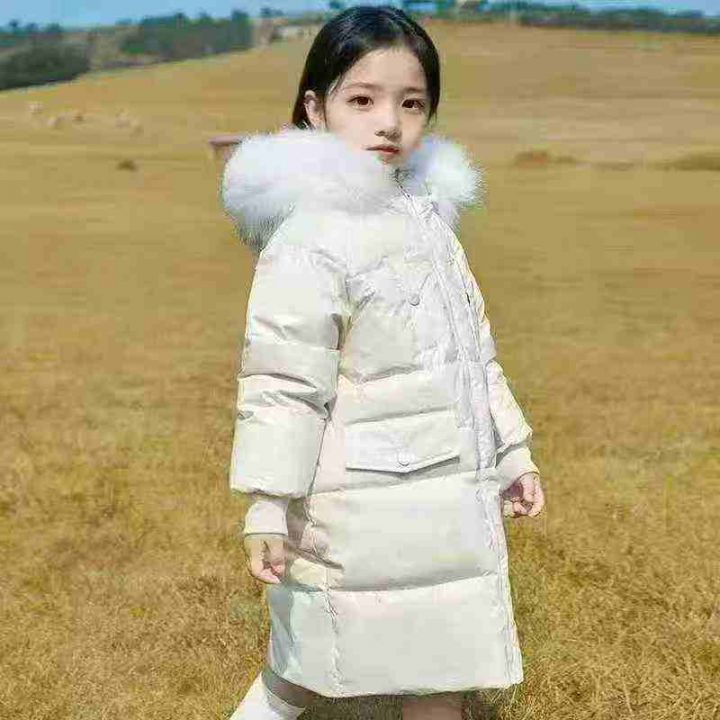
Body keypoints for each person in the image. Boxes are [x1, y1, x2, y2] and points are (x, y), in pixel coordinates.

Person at [220, 6, 546, 719]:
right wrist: (268, 503)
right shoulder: (311, 236)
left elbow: (473, 354)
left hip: (445, 498)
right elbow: (283, 384)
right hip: (358, 505)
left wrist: (512, 450)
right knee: (307, 664)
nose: (389, 123)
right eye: (362, 100)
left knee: (442, 672)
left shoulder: (428, 221)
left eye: (412, 103)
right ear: (316, 109)